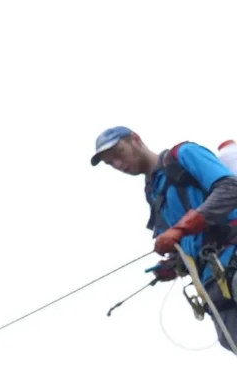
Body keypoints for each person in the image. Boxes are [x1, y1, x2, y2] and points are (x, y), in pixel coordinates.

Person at [91, 126, 237, 349]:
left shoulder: (183, 155)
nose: (119, 165)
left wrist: (182, 228)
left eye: (119, 153)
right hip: (214, 285)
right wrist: (174, 265)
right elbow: (189, 244)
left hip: (232, 259)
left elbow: (229, 189)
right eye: (111, 163)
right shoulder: (153, 193)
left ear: (136, 140)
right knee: (230, 340)